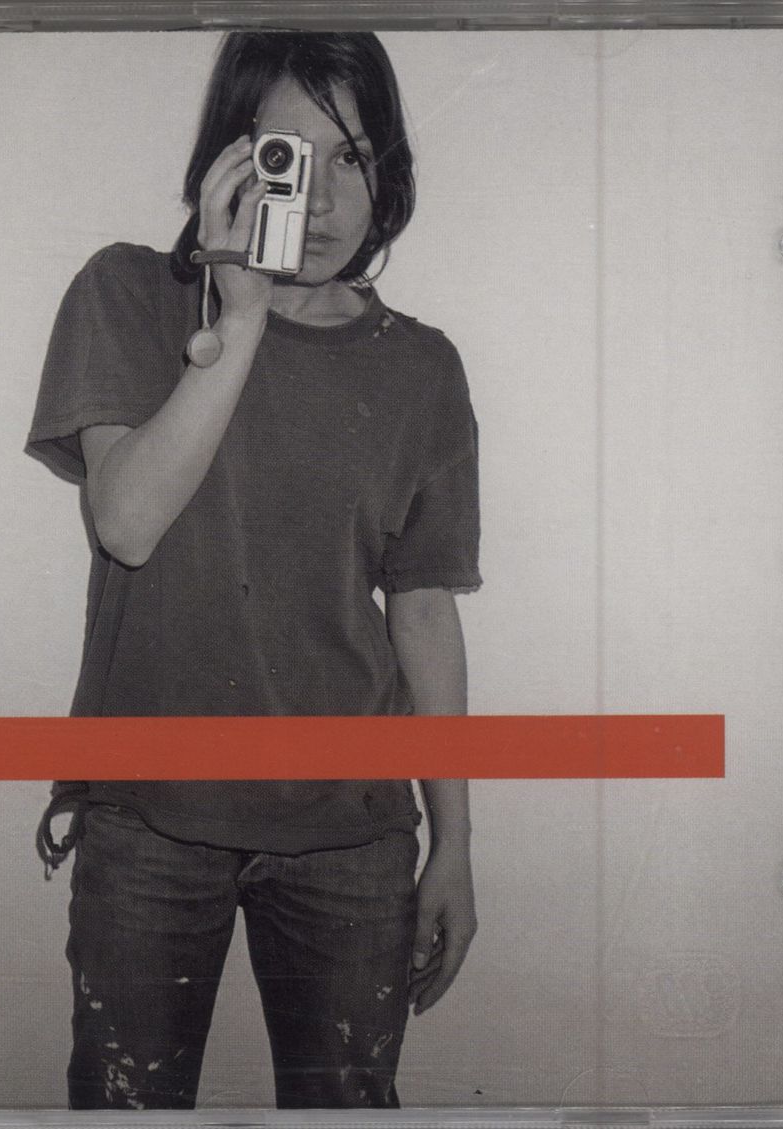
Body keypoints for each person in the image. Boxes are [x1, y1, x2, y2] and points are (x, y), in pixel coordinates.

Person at [25, 30, 480, 1110]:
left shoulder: (420, 368)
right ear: (230, 158)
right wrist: (239, 315)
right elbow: (127, 521)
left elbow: (421, 614)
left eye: (351, 156)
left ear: (390, 169)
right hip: (146, 817)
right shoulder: (129, 294)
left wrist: (456, 841)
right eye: (289, 157)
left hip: (351, 832)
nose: (319, 199)